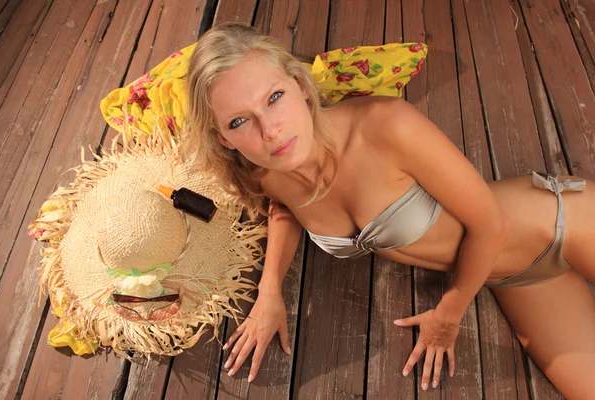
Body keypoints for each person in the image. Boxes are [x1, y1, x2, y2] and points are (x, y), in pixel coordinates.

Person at [186, 23, 595, 398]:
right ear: (222, 138)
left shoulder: (386, 125)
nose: (269, 129)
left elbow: (491, 223)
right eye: (240, 121)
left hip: (561, 222)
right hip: (517, 278)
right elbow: (285, 206)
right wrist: (269, 291)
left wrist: (448, 315)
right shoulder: (265, 169)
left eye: (274, 98)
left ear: (301, 86)